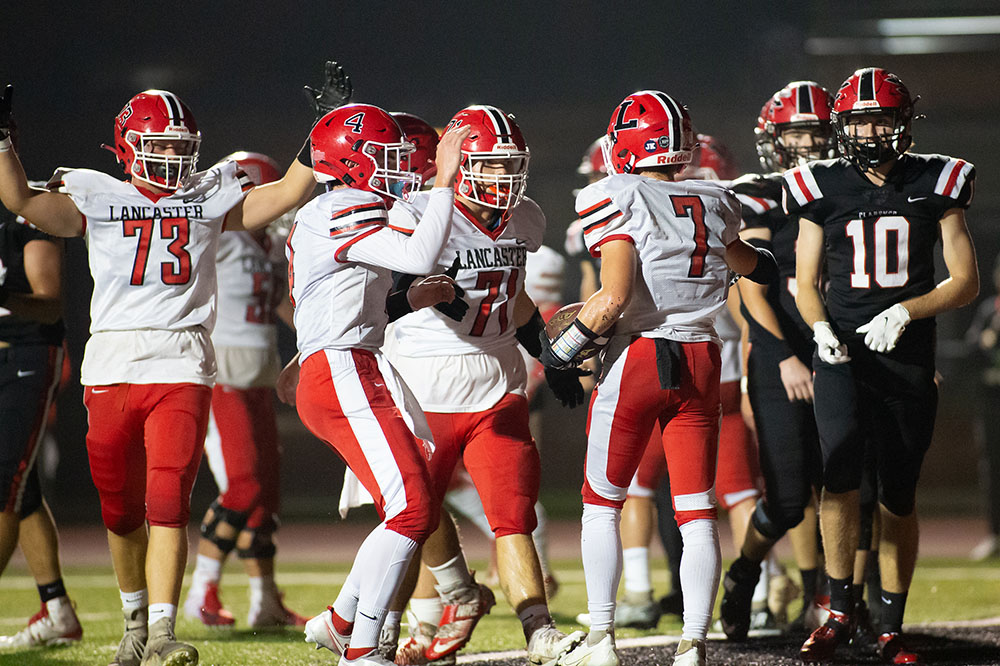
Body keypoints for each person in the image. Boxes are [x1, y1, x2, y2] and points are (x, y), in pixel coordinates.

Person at [0, 68, 334, 664]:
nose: (174, 159)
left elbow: (284, 193)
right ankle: (134, 623)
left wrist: (320, 132)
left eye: (183, 148)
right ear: (129, 147)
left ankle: (160, 632)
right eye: (162, 148)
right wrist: (3, 143)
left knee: (168, 499)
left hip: (182, 359)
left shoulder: (208, 196)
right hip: (112, 364)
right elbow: (20, 198)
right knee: (119, 505)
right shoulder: (96, 194)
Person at [549, 90, 777, 666]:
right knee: (697, 510)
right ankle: (694, 643)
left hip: (640, 355)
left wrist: (562, 354)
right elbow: (752, 264)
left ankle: (601, 639)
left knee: (602, 500)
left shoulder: (612, 194)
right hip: (702, 359)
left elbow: (613, 297)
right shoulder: (716, 196)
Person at [381, 104, 586, 666]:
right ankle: (385, 630)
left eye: (510, 165)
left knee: (513, 516)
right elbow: (386, 301)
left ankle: (540, 633)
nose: (503, 178)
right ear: (458, 163)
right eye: (490, 166)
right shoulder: (422, 211)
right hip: (426, 390)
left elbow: (513, 298)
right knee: (408, 523)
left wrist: (550, 353)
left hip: (499, 388)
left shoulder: (525, 218)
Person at [789, 67, 978, 664]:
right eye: (859, 120)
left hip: (907, 360)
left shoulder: (938, 179)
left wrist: (907, 310)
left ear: (903, 123)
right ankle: (839, 612)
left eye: (881, 119)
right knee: (840, 472)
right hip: (842, 356)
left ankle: (892, 622)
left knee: (899, 491)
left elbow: (966, 281)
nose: (870, 131)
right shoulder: (822, 185)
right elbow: (805, 281)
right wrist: (819, 329)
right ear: (841, 127)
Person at [276, 103, 469, 666]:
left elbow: (359, 302)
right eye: (386, 157)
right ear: (350, 163)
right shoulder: (338, 205)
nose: (399, 167)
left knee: (416, 502)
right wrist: (445, 179)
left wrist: (414, 298)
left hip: (352, 362)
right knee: (411, 507)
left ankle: (341, 622)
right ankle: (361, 650)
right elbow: (418, 250)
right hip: (341, 369)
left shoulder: (347, 207)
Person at [718, 81, 838, 641]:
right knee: (790, 498)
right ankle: (743, 573)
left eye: (816, 130)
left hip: (839, 354)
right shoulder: (762, 193)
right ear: (777, 139)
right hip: (781, 355)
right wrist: (785, 355)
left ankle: (837, 604)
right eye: (797, 132)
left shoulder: (848, 189)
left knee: (846, 484)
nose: (809, 142)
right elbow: (752, 286)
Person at [183, 151, 305, 630]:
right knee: (245, 483)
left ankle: (265, 600)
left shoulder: (267, 242)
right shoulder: (214, 233)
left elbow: (277, 303)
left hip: (259, 370)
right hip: (223, 369)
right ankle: (202, 588)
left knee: (266, 494)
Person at [0, 161, 82, 648]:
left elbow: (48, 299)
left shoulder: (29, 213)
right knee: (22, 489)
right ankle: (57, 610)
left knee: (5, 484)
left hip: (25, 357)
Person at [965, 255, 1000, 561]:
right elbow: (971, 345)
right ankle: (995, 534)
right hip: (992, 396)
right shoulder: (990, 309)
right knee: (992, 466)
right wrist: (983, 341)